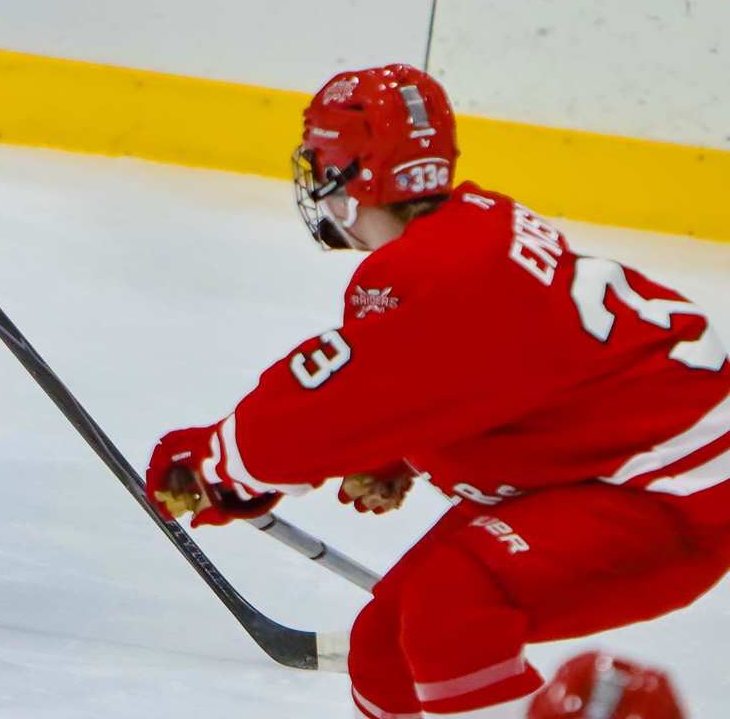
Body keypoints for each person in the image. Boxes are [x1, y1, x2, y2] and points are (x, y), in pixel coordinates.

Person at [143, 65, 726, 719]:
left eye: (321, 160)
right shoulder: (476, 221)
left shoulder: (431, 271)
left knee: (452, 602)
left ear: (355, 173)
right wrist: (400, 448)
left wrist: (218, 464)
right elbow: (480, 377)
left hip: (676, 492)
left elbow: (334, 400)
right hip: (611, 467)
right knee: (385, 646)